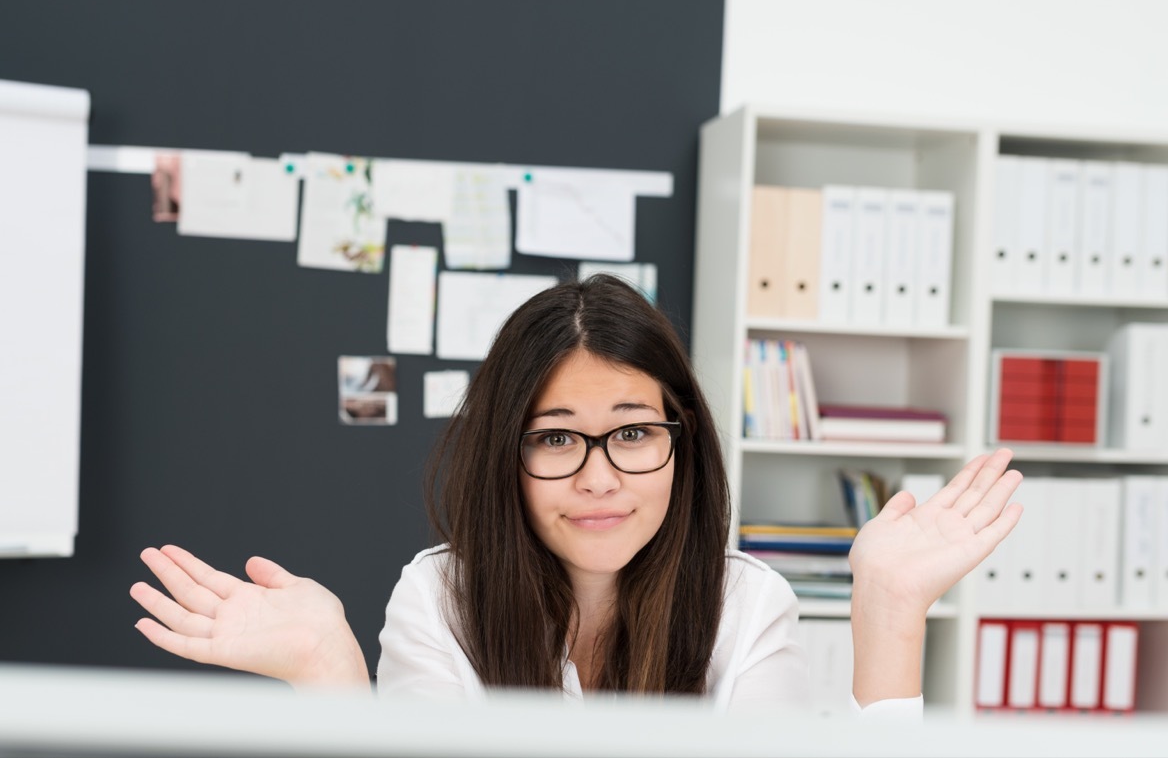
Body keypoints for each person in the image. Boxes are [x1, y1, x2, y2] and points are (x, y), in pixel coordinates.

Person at [130, 274, 1022, 713]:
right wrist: (330, 672)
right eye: (556, 437)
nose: (599, 475)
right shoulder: (439, 597)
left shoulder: (750, 603)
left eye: (633, 432)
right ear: (504, 456)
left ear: (682, 446)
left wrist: (890, 609)